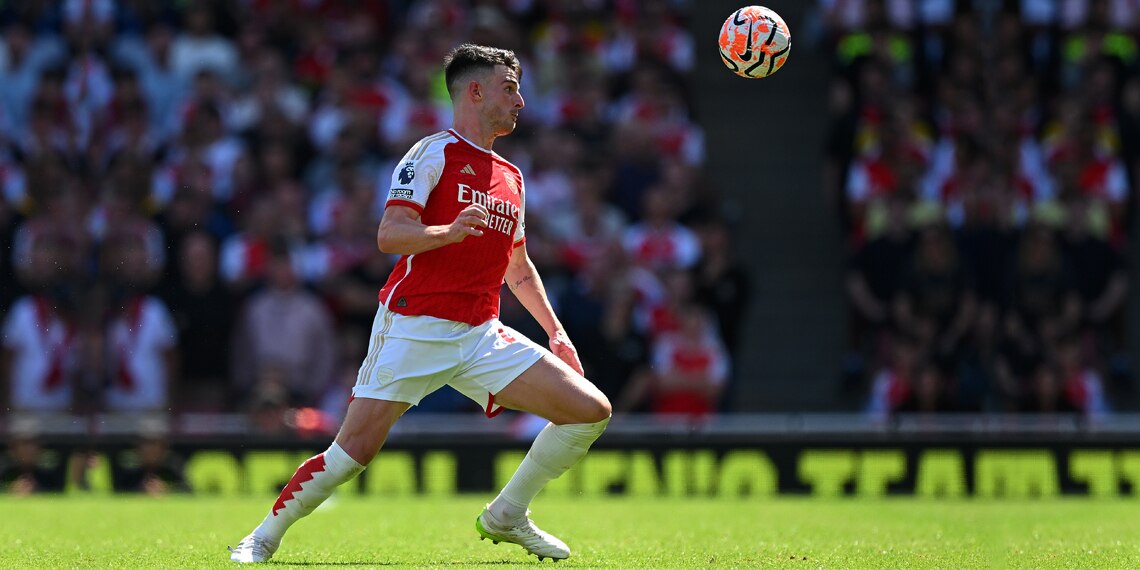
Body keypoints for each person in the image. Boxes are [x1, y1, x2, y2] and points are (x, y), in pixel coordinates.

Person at [228, 44, 612, 564]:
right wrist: (448, 231)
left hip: (480, 333)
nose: (520, 101)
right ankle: (263, 537)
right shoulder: (432, 153)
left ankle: (507, 514)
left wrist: (556, 332)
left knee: (589, 410)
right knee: (350, 456)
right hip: (413, 324)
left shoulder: (512, 177)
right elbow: (390, 234)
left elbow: (517, 268)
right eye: (510, 88)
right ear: (475, 91)